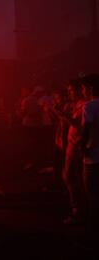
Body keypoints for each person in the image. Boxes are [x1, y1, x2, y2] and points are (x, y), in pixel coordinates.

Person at [55, 80, 86, 224]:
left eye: (71, 90)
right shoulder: (78, 105)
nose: (69, 93)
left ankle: (78, 211)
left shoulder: (85, 105)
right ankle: (80, 208)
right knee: (72, 177)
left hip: (76, 148)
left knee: (69, 176)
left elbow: (75, 123)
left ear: (80, 90)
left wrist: (60, 113)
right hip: (73, 146)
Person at [80, 74, 99, 239]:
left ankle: (93, 233)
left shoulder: (89, 106)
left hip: (93, 156)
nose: (83, 91)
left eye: (85, 88)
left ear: (91, 89)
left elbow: (85, 130)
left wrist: (81, 148)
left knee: (92, 194)